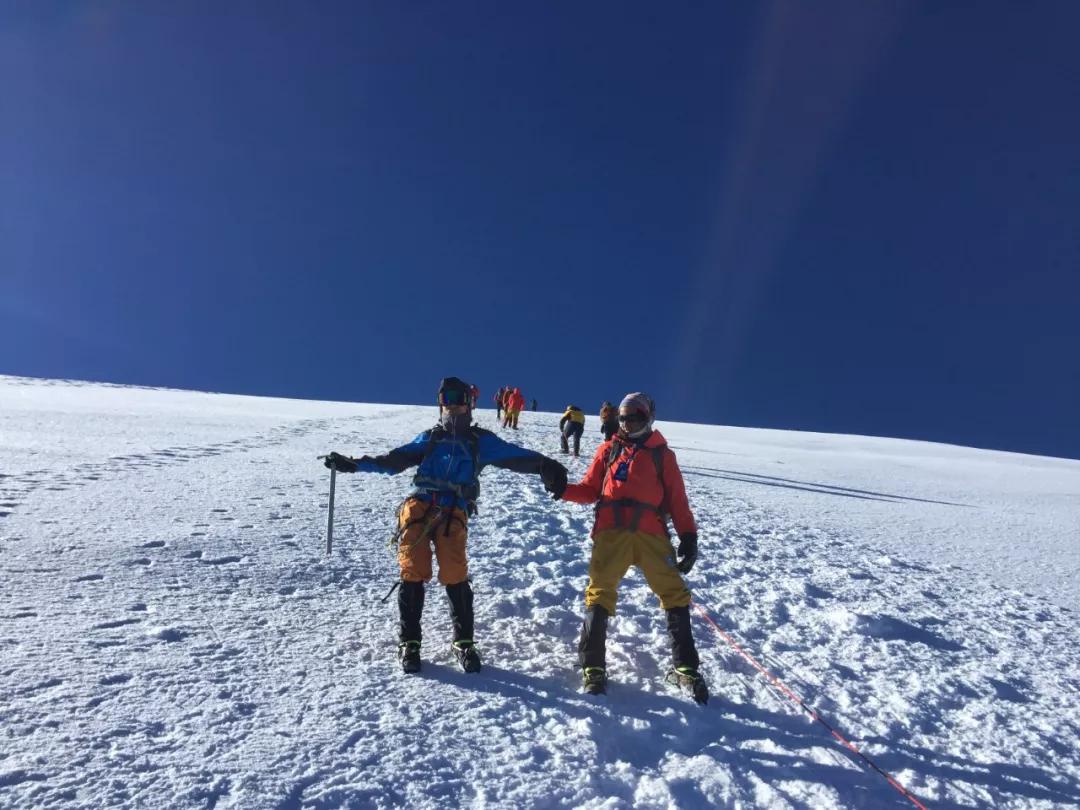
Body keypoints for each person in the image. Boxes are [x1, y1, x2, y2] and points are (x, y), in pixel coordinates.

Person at [324, 377, 568, 675]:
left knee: (454, 572)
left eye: (458, 398)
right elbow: (393, 461)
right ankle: (409, 642)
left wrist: (547, 466)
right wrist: (355, 464)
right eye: (446, 398)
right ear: (440, 403)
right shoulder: (431, 438)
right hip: (419, 506)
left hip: (453, 510)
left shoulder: (479, 440)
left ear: (469, 403)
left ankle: (463, 642)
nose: (451, 404)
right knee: (412, 569)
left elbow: (515, 456)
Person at [543, 392, 707, 704]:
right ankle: (593, 667)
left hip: (650, 533)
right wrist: (562, 489)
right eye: (623, 417)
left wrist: (688, 535)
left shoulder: (662, 455)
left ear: (649, 417)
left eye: (636, 416)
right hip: (611, 531)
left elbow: (677, 499)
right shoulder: (609, 449)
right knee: (600, 591)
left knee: (673, 592)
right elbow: (590, 490)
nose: (628, 422)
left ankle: (686, 667)